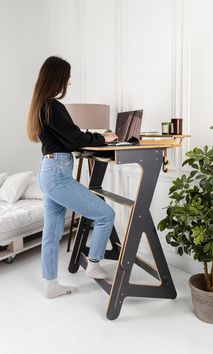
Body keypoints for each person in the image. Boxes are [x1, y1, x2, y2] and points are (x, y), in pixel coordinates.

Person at [27, 56, 118, 299]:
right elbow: (75, 138)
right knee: (106, 214)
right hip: (58, 173)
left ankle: (51, 285)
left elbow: (68, 137)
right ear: (58, 77)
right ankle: (95, 264)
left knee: (51, 233)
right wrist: (103, 139)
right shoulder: (53, 105)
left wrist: (92, 139)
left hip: (49, 170)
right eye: (67, 75)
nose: (69, 80)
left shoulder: (41, 106)